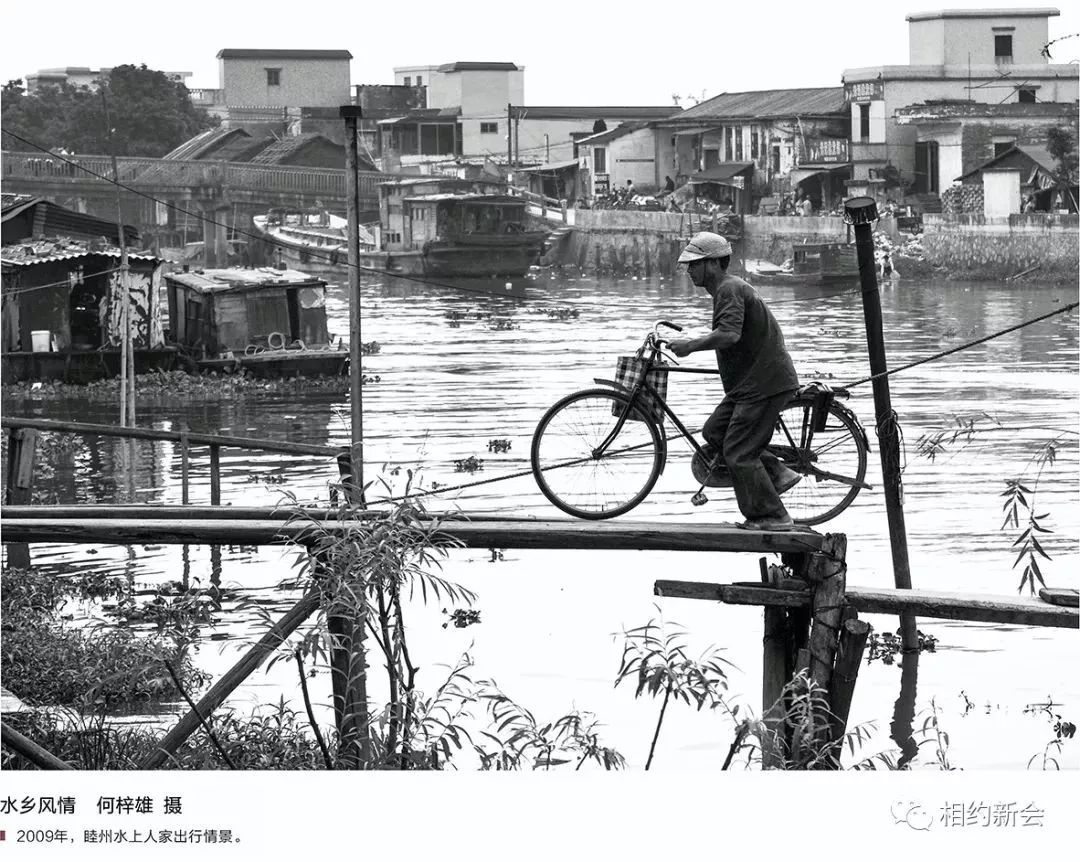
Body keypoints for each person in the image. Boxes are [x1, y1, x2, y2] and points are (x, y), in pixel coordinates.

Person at [668, 231, 802, 531]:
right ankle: (778, 473)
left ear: (714, 264)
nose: (689, 270)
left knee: (739, 453)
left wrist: (690, 346)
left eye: (695, 264)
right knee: (715, 432)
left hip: (763, 383)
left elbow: (729, 334)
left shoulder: (729, 289)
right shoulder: (726, 290)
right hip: (749, 385)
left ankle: (771, 516)